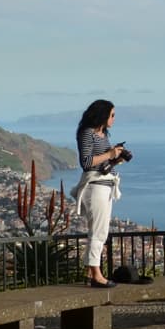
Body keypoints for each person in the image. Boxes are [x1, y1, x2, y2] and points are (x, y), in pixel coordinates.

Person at [73, 99, 131, 287]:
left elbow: (103, 163)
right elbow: (87, 162)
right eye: (112, 115)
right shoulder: (87, 133)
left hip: (105, 185)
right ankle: (96, 275)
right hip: (95, 186)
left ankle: (91, 273)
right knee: (98, 232)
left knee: (100, 231)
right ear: (102, 114)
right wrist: (110, 154)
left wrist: (117, 158)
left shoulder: (103, 135)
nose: (114, 119)